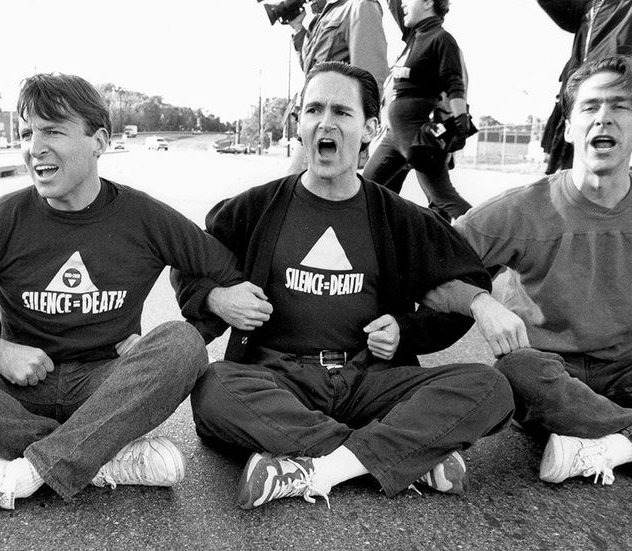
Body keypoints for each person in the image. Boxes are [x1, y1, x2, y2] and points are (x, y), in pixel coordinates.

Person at [0, 72, 243, 517]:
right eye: (27, 133)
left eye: (53, 131)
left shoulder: (146, 218)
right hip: (15, 390)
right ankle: (100, 455)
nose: (35, 148)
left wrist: (208, 307)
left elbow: (225, 272)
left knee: (182, 344)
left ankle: (21, 476)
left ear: (99, 141)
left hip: (106, 386)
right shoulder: (1, 221)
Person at [172, 61, 514, 509]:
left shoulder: (398, 217)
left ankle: (315, 466)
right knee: (214, 387)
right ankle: (401, 453)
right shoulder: (254, 208)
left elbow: (452, 281)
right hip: (281, 377)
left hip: (371, 379)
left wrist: (463, 311)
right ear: (299, 123)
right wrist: (218, 298)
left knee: (490, 387)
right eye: (312, 110)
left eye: (341, 112)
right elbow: (190, 264)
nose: (324, 123)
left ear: (371, 128)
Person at [423, 56, 632, 486]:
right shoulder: (520, 209)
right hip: (545, 372)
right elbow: (427, 269)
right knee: (515, 372)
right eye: (590, 107)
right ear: (568, 126)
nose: (604, 118)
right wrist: (480, 302)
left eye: (620, 107)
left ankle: (612, 446)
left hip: (624, 370)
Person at [537, 0, 632, 174]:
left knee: (599, 164)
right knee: (565, 168)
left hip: (610, 92)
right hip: (576, 94)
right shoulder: (588, 6)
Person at [362, 0, 473, 222]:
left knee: (443, 197)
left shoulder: (442, 39)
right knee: (366, 188)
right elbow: (395, 5)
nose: (402, 3)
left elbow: (455, 84)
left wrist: (461, 121)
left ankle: (491, 238)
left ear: (428, 3)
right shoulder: (414, 37)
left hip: (418, 137)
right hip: (394, 137)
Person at [285, 0, 389, 173]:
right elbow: (309, 68)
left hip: (333, 125)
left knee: (298, 189)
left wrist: (363, 136)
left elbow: (371, 77)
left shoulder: (360, 6)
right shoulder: (324, 15)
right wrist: (297, 28)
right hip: (311, 121)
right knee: (296, 189)